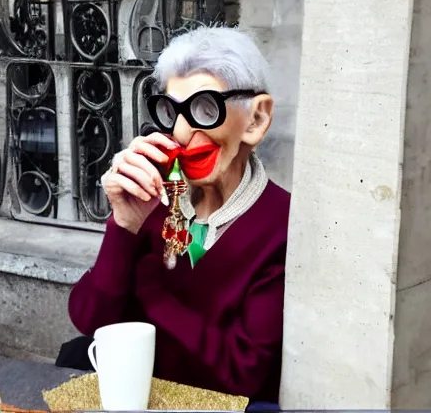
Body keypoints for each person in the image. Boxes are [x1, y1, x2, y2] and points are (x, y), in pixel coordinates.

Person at [68, 26, 290, 404]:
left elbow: (245, 374)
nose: (182, 132)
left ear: (255, 120)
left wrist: (152, 294)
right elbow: (92, 322)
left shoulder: (281, 224)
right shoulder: (156, 199)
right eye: (172, 111)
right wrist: (124, 226)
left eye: (206, 109)